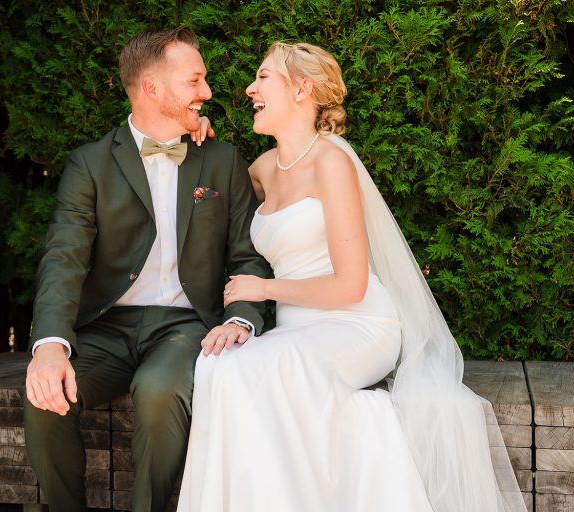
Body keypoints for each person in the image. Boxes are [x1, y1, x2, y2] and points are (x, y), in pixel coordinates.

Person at [177, 42, 526, 512]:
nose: (249, 88)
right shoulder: (262, 169)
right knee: (217, 365)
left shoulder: (332, 163)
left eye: (263, 78)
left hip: (356, 324)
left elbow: (350, 286)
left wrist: (263, 288)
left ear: (301, 88)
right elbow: (209, 186)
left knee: (250, 368)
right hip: (299, 332)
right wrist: (194, 133)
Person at [22, 27, 271, 512]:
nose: (208, 91)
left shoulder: (221, 161)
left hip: (184, 327)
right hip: (106, 328)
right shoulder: (90, 164)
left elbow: (247, 256)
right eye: (195, 80)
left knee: (159, 395)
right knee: (42, 396)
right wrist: (50, 344)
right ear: (153, 88)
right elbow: (63, 256)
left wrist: (240, 318)